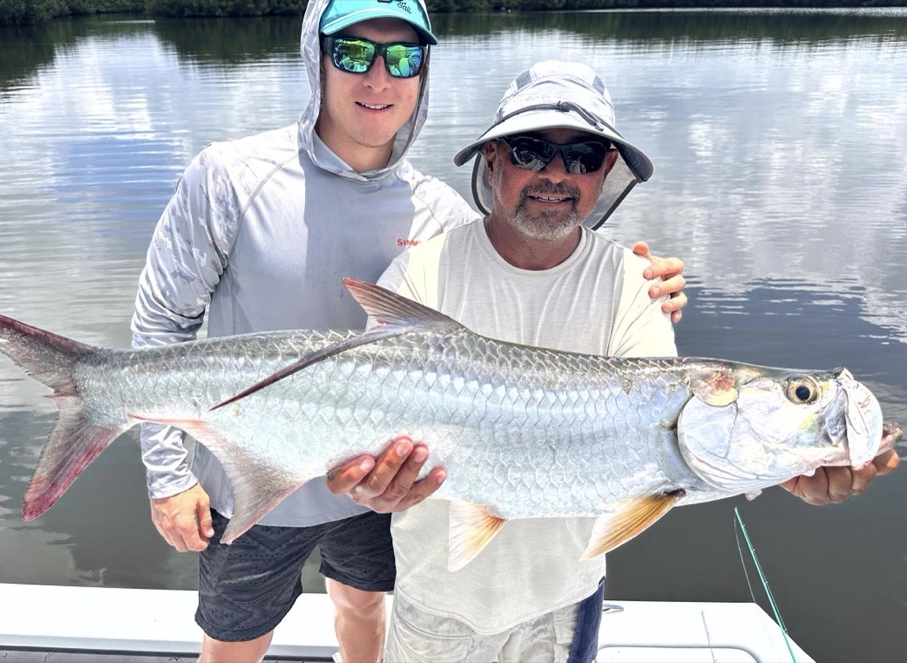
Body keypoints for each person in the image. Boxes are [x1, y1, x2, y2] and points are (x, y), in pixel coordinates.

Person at [130, 2, 687, 661]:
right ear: (316, 55)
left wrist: (643, 282)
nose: (377, 79)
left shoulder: (439, 212)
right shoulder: (230, 176)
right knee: (232, 641)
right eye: (352, 53)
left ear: (423, 71)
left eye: (402, 57)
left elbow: (514, 277)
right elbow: (162, 321)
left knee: (363, 617)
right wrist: (167, 472)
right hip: (254, 471)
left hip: (382, 477)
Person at [326, 60, 900, 662]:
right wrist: (371, 486)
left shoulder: (636, 286)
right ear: (492, 160)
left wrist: (784, 468)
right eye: (530, 150)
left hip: (565, 600)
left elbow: (676, 453)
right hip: (437, 594)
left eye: (582, 157)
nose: (555, 173)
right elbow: (368, 437)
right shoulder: (420, 273)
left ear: (606, 171)